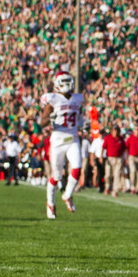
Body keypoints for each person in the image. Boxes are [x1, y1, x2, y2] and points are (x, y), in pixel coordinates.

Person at [38, 71, 85, 219]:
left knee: (77, 167)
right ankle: (50, 204)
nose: (66, 84)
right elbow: (42, 122)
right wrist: (51, 118)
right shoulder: (53, 100)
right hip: (58, 141)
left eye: (68, 81)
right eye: (63, 81)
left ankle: (67, 195)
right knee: (56, 176)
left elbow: (79, 115)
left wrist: (83, 124)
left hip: (72, 139)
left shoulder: (78, 99)